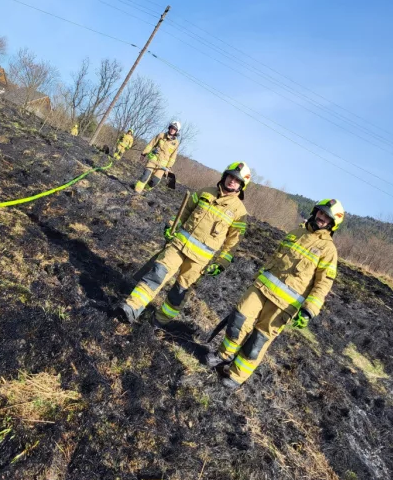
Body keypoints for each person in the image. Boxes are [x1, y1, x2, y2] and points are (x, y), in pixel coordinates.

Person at [206, 198, 345, 389]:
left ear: (332, 224)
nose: (322, 218)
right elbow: (275, 257)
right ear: (315, 212)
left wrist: (308, 310)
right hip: (261, 288)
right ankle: (223, 355)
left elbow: (323, 283)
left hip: (284, 304)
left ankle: (237, 375)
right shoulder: (296, 232)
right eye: (321, 213)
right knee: (239, 317)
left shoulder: (328, 251)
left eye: (327, 217)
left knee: (259, 339)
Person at [118, 162, 252, 326]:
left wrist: (221, 262)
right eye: (231, 176)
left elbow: (232, 243)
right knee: (157, 273)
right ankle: (131, 308)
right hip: (177, 246)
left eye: (237, 180)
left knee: (179, 293)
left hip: (199, 261)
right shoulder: (205, 192)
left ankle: (158, 322)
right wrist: (172, 224)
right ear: (225, 175)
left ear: (241, 185)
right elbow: (185, 212)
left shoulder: (240, 212)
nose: (232, 181)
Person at [134, 121, 180, 193]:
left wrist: (168, 167)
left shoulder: (176, 143)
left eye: (174, 129)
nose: (172, 130)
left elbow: (173, 157)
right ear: (169, 128)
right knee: (145, 177)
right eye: (172, 128)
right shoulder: (161, 135)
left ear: (176, 131)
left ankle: (144, 190)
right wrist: (144, 154)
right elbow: (151, 144)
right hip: (153, 160)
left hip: (162, 166)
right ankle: (136, 191)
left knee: (154, 182)